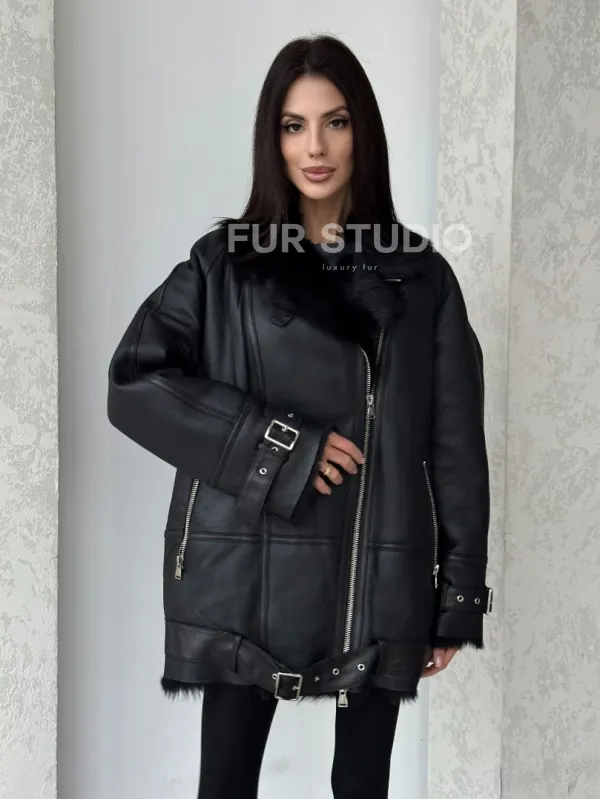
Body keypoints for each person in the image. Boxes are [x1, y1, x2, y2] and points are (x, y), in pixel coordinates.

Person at [107, 33, 493, 799]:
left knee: (361, 786)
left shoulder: (422, 278)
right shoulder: (223, 267)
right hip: (241, 580)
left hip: (376, 578)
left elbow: (454, 443)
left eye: (335, 121)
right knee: (226, 785)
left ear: (362, 132)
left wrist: (457, 596)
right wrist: (280, 445)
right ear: (271, 138)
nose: (315, 147)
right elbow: (133, 383)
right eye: (293, 125)